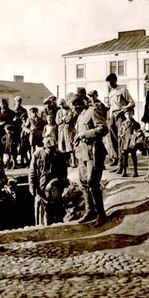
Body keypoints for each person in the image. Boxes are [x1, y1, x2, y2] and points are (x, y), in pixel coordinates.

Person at [73, 96, 108, 227]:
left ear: (84, 102)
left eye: (77, 104)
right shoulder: (80, 115)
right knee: (83, 183)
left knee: (92, 182)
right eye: (73, 105)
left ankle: (101, 214)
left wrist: (84, 134)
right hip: (82, 153)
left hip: (94, 152)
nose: (75, 107)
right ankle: (90, 211)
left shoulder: (93, 111)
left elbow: (103, 129)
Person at [29, 136, 69, 226]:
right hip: (41, 186)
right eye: (49, 148)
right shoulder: (37, 154)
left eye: (52, 148)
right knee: (41, 212)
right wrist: (32, 186)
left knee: (55, 211)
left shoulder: (59, 155)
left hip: (55, 188)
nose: (51, 150)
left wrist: (56, 183)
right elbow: (32, 172)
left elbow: (64, 174)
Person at [106, 73, 135, 170]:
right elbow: (110, 107)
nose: (109, 84)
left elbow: (132, 103)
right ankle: (118, 161)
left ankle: (122, 164)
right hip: (112, 117)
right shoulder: (110, 93)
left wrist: (122, 110)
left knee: (120, 140)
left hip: (120, 116)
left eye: (110, 82)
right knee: (113, 140)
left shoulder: (122, 90)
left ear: (115, 81)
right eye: (108, 83)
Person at [118, 107, 140, 177]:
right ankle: (124, 171)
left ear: (133, 114)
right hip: (124, 142)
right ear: (125, 115)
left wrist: (134, 136)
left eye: (130, 113)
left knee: (134, 157)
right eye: (127, 114)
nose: (128, 115)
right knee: (125, 157)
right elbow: (120, 131)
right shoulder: (123, 123)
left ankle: (135, 171)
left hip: (132, 142)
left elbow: (138, 133)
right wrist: (120, 135)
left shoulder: (136, 123)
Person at [55, 98, 76, 167]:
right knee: (62, 146)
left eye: (62, 104)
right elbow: (57, 121)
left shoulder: (69, 110)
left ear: (64, 103)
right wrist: (62, 119)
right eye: (59, 105)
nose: (61, 106)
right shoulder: (59, 112)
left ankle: (73, 162)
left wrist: (65, 119)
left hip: (68, 130)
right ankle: (65, 162)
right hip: (61, 131)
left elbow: (69, 119)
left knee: (70, 146)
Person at [0, 99, 15, 164]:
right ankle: (1, 160)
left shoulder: (10, 112)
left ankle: (8, 161)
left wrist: (5, 122)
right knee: (0, 147)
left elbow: (12, 120)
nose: (3, 105)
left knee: (7, 146)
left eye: (4, 104)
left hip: (7, 131)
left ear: (6, 104)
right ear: (0, 105)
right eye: (1, 104)